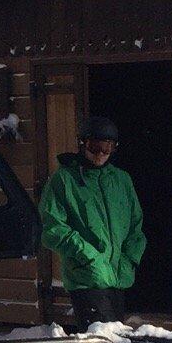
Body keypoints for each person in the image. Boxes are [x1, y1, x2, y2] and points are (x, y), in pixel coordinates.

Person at [38, 115, 145, 331]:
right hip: (86, 276)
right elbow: (52, 228)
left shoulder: (121, 180)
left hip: (117, 277)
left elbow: (136, 226)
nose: (100, 154)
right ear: (82, 144)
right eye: (94, 146)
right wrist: (88, 256)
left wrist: (130, 260)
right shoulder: (65, 180)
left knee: (118, 342)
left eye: (107, 148)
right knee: (101, 341)